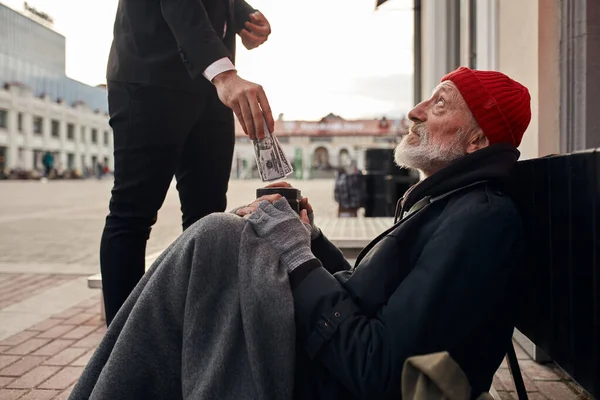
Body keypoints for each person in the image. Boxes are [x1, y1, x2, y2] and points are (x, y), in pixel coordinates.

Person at [71, 67, 531, 399]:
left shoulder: (480, 221)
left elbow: (380, 371)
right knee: (220, 245)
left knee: (216, 240)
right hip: (326, 365)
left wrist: (294, 255)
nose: (414, 111)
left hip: (325, 381)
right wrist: (312, 242)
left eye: (440, 103)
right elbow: (372, 302)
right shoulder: (452, 204)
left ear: (477, 140)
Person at [99, 0, 276, 325]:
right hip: (150, 73)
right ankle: (119, 353)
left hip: (208, 85)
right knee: (132, 215)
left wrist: (242, 16)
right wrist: (224, 74)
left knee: (207, 219)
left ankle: (201, 337)